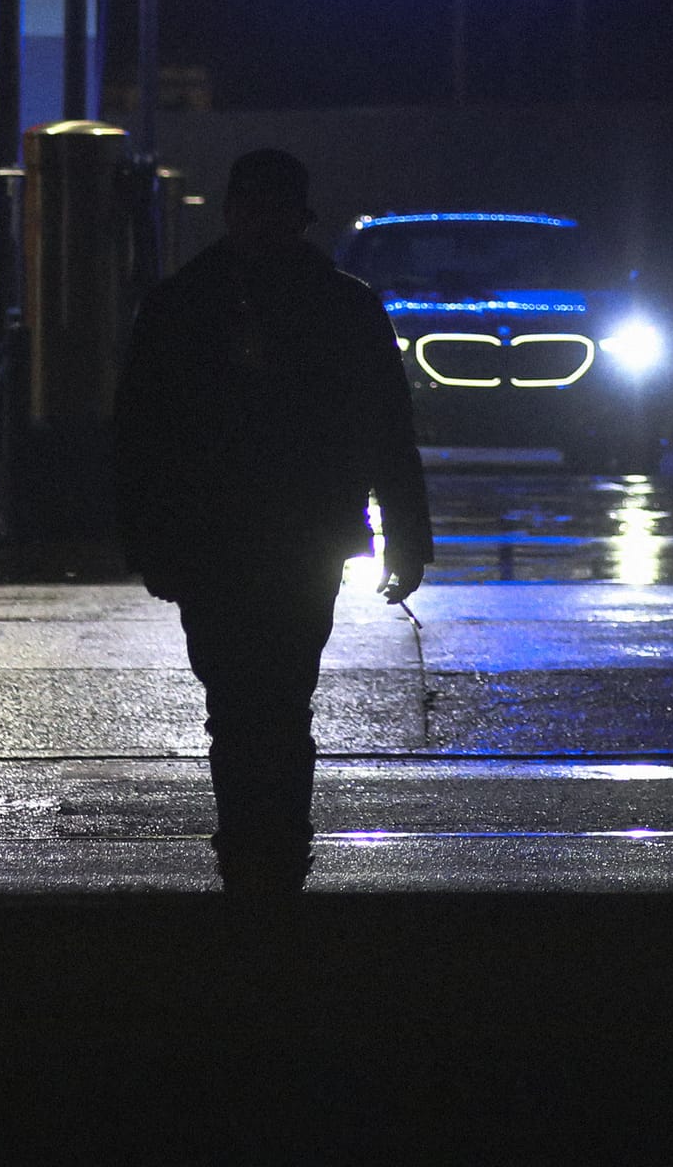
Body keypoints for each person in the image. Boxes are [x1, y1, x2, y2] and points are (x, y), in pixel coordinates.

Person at [113, 148, 431, 894]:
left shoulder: (181, 303)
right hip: (300, 533)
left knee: (238, 701)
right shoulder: (344, 306)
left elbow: (139, 435)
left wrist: (148, 541)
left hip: (218, 536)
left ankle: (253, 850)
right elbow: (388, 431)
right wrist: (406, 539)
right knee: (281, 699)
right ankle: (277, 850)